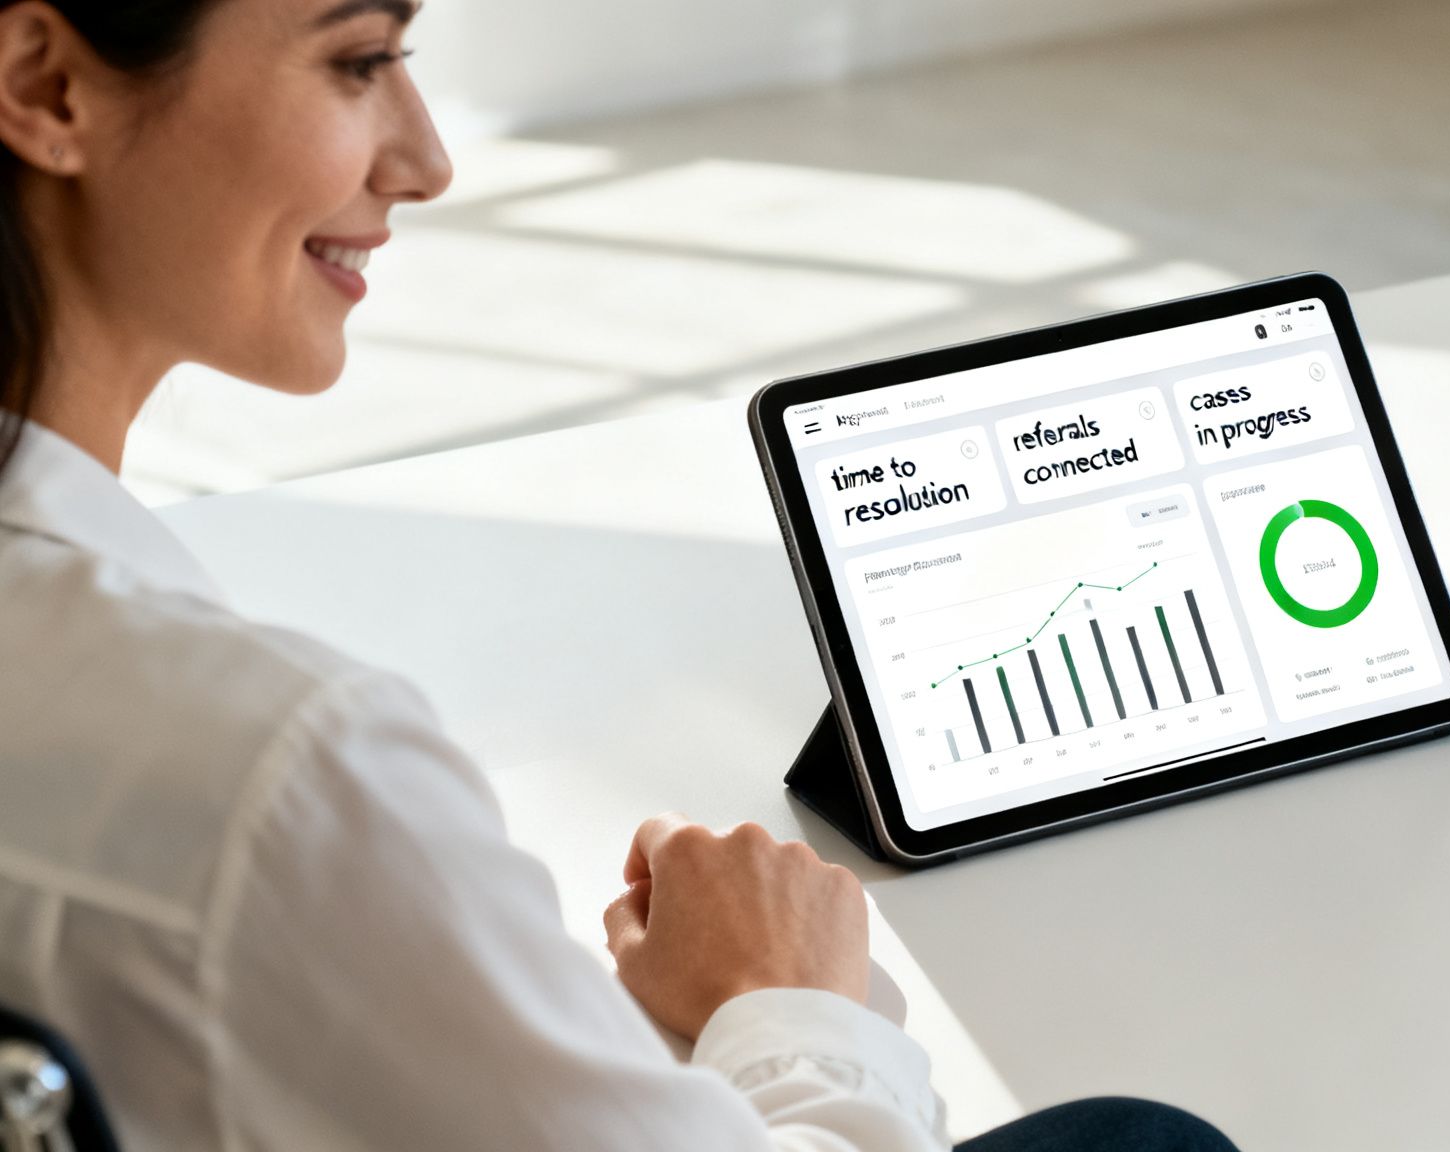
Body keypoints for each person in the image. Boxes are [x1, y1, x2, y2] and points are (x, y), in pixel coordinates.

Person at [0, 1, 1243, 1150]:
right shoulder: (277, 770)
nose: (426, 161)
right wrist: (784, 1001)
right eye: (358, 59)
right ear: (46, 85)